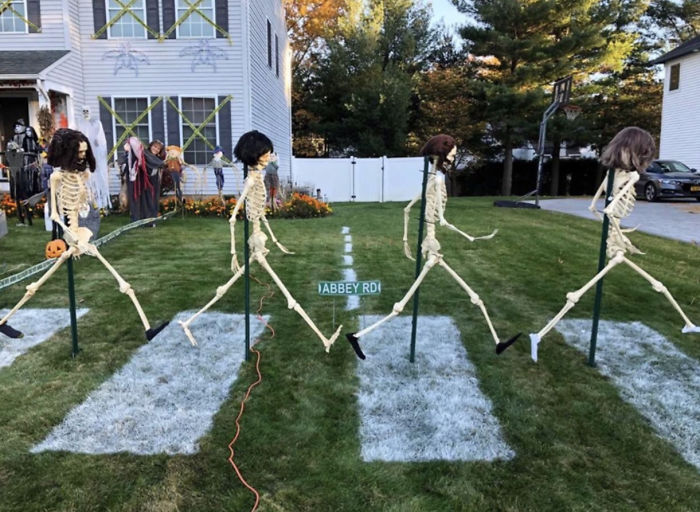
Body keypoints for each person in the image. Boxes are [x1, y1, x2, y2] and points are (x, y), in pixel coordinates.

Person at [528, 126, 699, 361]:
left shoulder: (612, 175)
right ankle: (538, 335)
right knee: (583, 293)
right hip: (616, 240)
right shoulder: (632, 177)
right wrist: (618, 235)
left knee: (656, 283)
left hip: (614, 231)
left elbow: (593, 206)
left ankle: (688, 323)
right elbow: (608, 210)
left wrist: (612, 227)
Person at [179, 130, 342, 350]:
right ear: (253, 154)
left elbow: (260, 212)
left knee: (231, 285)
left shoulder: (259, 178)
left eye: (268, 153)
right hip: (255, 241)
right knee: (286, 294)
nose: (268, 157)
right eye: (264, 153)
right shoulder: (251, 181)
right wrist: (233, 253)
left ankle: (188, 322)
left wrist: (273, 239)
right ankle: (323, 339)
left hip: (260, 235)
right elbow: (233, 216)